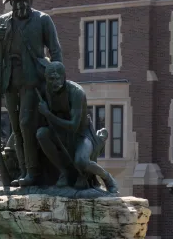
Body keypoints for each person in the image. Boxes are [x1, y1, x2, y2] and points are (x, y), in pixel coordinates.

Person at [0, 0, 62, 187]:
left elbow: (55, 51)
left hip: (32, 79)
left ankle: (32, 172)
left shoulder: (43, 20)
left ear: (30, 0)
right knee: (16, 128)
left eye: (25, 0)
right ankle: (22, 171)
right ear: (12, 3)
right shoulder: (4, 21)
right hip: (10, 80)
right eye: (17, 1)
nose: (21, 5)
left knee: (25, 123)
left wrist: (58, 78)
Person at [36, 61, 118, 193]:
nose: (55, 82)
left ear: (64, 77)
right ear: (46, 79)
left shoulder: (76, 92)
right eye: (51, 79)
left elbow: (74, 126)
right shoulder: (44, 92)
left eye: (58, 78)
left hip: (82, 134)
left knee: (81, 161)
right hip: (60, 133)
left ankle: (107, 178)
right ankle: (64, 171)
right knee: (41, 134)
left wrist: (48, 114)